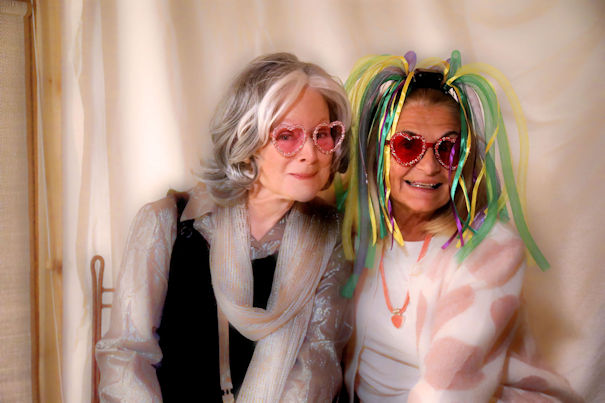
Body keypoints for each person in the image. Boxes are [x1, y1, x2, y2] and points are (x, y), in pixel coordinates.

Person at [95, 52, 352, 402]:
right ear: (246, 140)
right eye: (287, 136)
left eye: (322, 134)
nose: (310, 153)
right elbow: (126, 357)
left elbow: (317, 368)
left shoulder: (333, 235)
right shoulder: (166, 222)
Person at [340, 51, 582, 402]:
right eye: (407, 145)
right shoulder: (359, 236)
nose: (429, 167)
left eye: (448, 149)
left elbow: (447, 394)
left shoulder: (491, 250)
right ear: (377, 153)